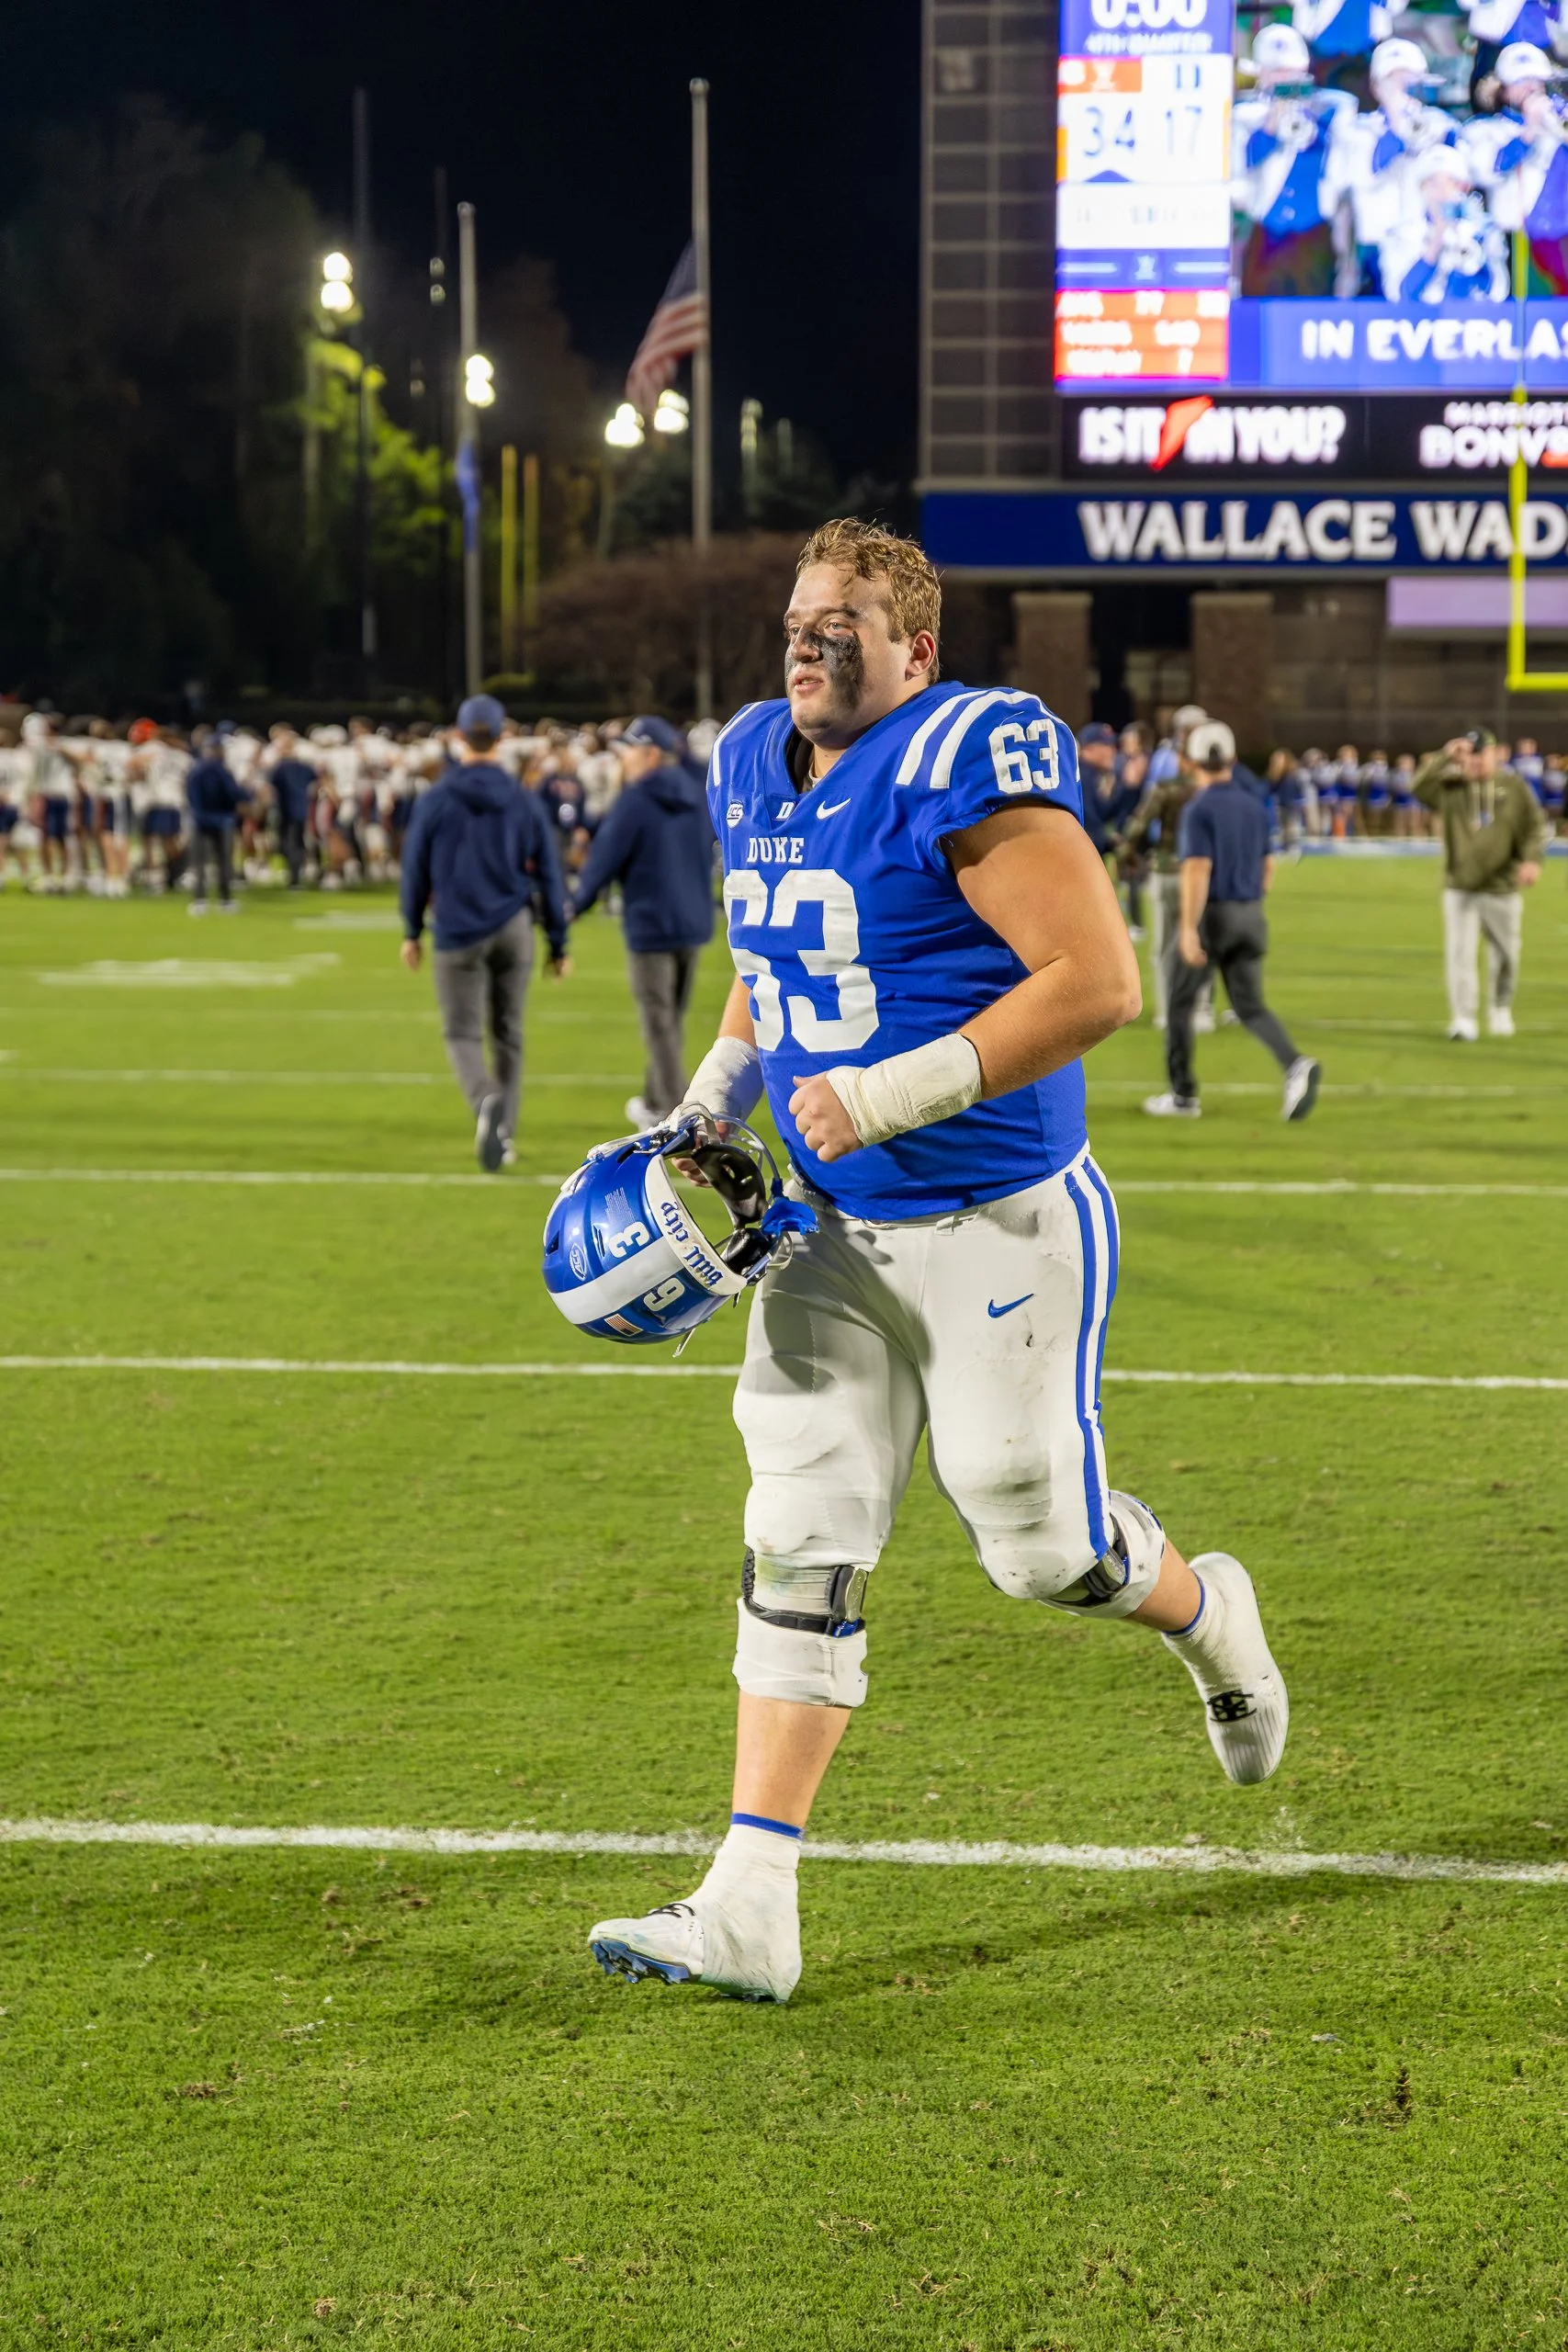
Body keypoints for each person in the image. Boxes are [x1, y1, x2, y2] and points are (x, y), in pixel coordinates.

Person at [586, 519, 1290, 2007]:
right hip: (829, 1229)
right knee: (799, 1518)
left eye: (844, 619)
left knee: (1037, 1545)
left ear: (917, 650)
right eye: (797, 615)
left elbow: (1094, 980)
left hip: (997, 1218)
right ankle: (750, 1900)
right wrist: (714, 1095)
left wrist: (893, 1091)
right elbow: (773, 957)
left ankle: (1207, 1613)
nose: (808, 639)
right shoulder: (744, 763)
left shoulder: (965, 756)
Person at [400, 694, 572, 1171]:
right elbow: (549, 875)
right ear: (500, 738)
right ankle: (505, 1133)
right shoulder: (522, 798)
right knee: (508, 1034)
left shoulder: (437, 797)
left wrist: (411, 929)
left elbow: (415, 869)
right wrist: (559, 941)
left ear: (458, 737)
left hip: (457, 929)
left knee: (461, 1031)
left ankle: (484, 1102)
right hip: (513, 925)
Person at [1144, 721, 1321, 1122]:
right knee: (1251, 1006)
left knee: (1178, 1003)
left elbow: (1197, 870)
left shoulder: (1199, 808)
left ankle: (1183, 1095)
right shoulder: (1253, 805)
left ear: (1190, 762)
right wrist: (1250, 903)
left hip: (1214, 916)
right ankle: (1295, 1064)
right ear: (1233, 759)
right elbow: (1268, 866)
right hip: (1250, 913)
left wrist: (1189, 928)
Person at [570, 713, 716, 1128]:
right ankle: (655, 1100)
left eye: (629, 750)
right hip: (693, 922)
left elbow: (604, 858)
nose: (624, 760)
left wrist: (575, 905)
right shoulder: (696, 792)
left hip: (651, 925)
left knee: (659, 1025)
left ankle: (679, 1116)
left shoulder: (636, 799)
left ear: (651, 754)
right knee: (671, 1019)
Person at [1413, 729, 1547, 1039]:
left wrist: (1531, 860)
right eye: (1468, 754)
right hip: (1461, 886)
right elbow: (1417, 788)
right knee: (1460, 954)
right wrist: (1445, 755)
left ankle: (1500, 1007)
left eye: (1480, 754)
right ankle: (1464, 1019)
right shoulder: (1450, 786)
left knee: (1507, 955)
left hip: (1501, 886)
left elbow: (1534, 828)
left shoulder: (1514, 787)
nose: (1474, 761)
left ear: (1494, 754)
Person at [1235, 25, 1357, 297]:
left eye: (1290, 72)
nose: (1284, 80)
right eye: (1276, 72)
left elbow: (1343, 153)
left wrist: (1308, 113)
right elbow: (1243, 162)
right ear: (1261, 75)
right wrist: (1272, 121)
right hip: (1265, 234)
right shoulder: (1247, 114)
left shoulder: (1330, 108)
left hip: (1314, 235)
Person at [185, 729, 246, 914]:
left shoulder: (196, 768)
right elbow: (233, 793)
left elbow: (191, 795)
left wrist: (197, 814)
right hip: (222, 820)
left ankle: (200, 900)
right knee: (224, 862)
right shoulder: (221, 770)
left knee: (200, 863)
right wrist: (250, 797)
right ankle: (225, 900)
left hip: (200, 820)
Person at [265, 727, 317, 888]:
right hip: (302, 808)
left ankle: (295, 877)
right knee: (297, 842)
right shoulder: (304, 766)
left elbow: (270, 788)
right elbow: (316, 783)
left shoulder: (280, 767)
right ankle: (299, 872)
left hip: (285, 810)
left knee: (287, 843)